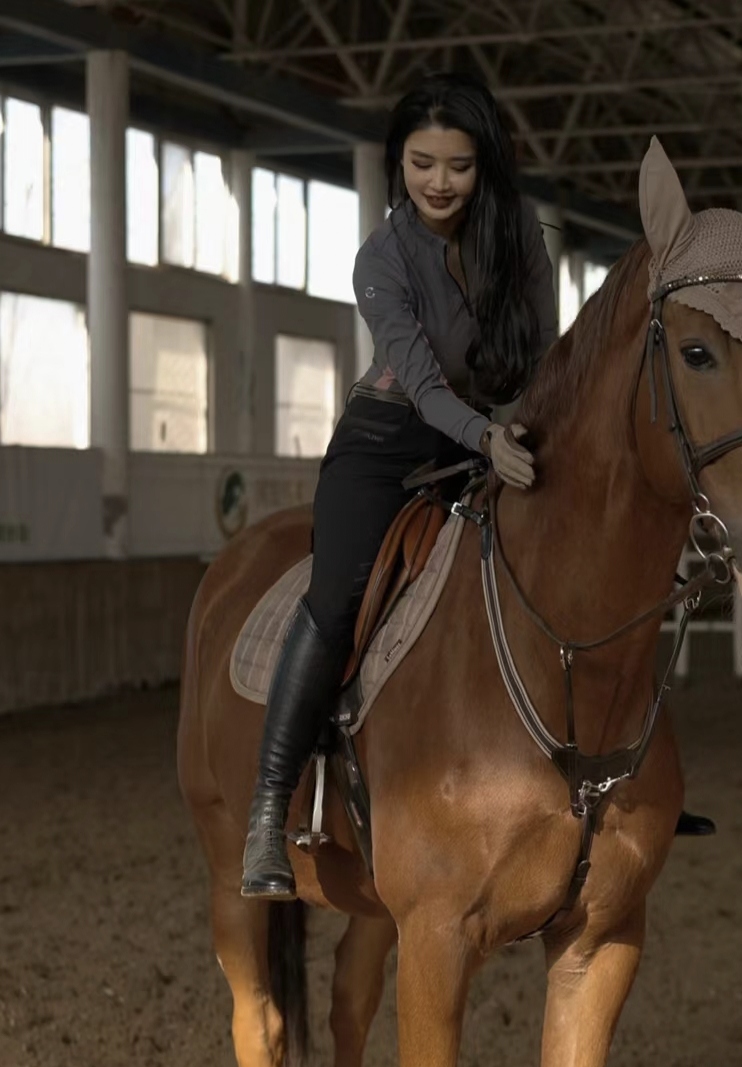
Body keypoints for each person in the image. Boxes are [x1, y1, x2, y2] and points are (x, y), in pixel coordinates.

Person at [242, 73, 711, 901]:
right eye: (422, 162)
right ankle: (268, 807)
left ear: (483, 165)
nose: (439, 181)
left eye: (457, 164)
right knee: (338, 592)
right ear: (399, 163)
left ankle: (630, 782)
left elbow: (545, 356)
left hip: (507, 426)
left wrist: (535, 429)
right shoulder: (381, 259)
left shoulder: (521, 238)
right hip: (390, 440)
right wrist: (489, 440)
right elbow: (423, 387)